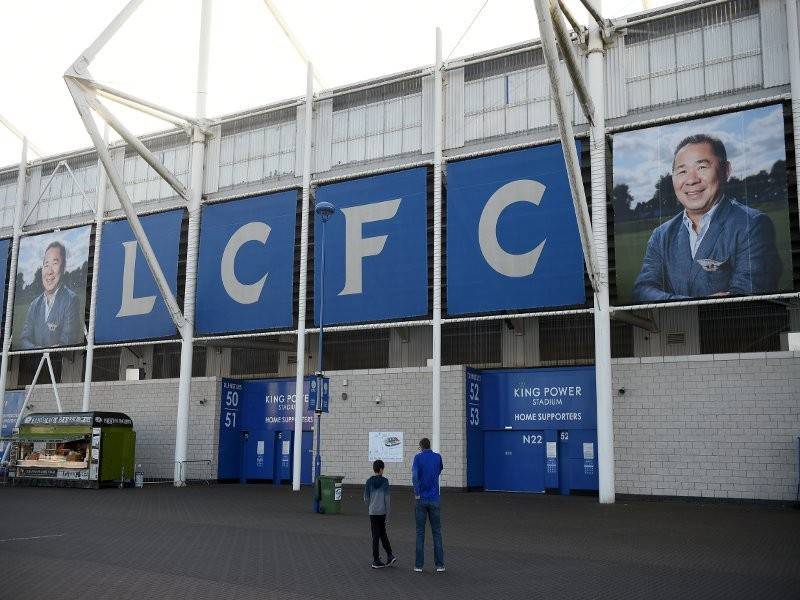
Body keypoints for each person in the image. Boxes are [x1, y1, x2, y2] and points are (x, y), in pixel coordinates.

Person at [632, 134, 781, 302]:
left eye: (702, 167)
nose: (691, 180)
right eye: (682, 171)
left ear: (726, 170)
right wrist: (694, 303)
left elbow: (747, 298)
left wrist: (669, 301)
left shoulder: (752, 224)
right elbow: (642, 290)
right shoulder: (661, 235)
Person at [17, 241, 82, 349]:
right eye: (46, 265)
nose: (49, 271)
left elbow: (67, 342)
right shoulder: (34, 304)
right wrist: (36, 350)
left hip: (58, 364)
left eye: (55, 263)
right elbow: (24, 339)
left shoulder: (71, 300)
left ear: (63, 267)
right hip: (36, 362)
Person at [412, 437, 444, 573]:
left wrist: (417, 492)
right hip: (434, 498)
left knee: (420, 532)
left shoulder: (418, 458)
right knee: (437, 532)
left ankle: (419, 565)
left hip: (421, 499)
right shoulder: (437, 457)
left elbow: (414, 476)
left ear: (421, 447)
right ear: (429, 445)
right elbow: (439, 470)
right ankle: (440, 565)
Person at [363, 459, 395, 569]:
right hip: (382, 513)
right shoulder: (385, 481)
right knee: (383, 534)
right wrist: (388, 513)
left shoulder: (369, 482)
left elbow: (366, 499)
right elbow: (387, 499)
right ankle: (388, 556)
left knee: (376, 536)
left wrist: (371, 505)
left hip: (373, 512)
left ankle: (377, 559)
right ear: (381, 469)